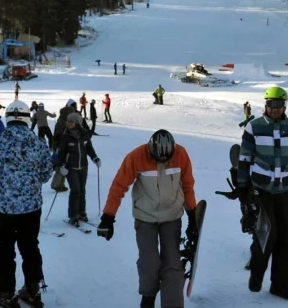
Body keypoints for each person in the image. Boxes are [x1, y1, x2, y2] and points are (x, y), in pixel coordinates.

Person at [237, 86, 288, 300]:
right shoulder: (253, 128)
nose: (274, 109)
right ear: (265, 105)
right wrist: (242, 188)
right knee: (267, 233)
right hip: (260, 190)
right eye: (271, 105)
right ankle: (257, 272)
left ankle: (280, 284)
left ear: (285, 105)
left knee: (284, 238)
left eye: (278, 105)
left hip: (284, 191)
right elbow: (244, 158)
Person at [98, 130, 197, 308]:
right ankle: (149, 295)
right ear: (150, 150)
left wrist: (192, 216)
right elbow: (119, 186)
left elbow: (188, 185)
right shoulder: (136, 157)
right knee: (149, 260)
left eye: (166, 160)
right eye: (158, 159)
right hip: (145, 216)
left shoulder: (180, 154)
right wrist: (108, 217)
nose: (163, 163)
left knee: (172, 262)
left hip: (172, 215)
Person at [0, 100, 53, 306]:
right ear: (26, 118)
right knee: (30, 246)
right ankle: (32, 288)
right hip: (31, 207)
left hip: (5, 208)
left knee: (5, 250)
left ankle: (5, 291)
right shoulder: (39, 143)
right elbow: (47, 173)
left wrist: (1, 182)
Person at [56, 113, 101, 225]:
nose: (68, 123)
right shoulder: (65, 136)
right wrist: (61, 166)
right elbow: (61, 153)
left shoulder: (85, 134)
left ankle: (82, 212)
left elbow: (89, 148)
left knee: (82, 190)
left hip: (83, 166)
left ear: (77, 123)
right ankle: (73, 215)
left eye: (71, 122)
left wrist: (95, 158)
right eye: (68, 121)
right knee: (75, 191)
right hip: (70, 167)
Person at [50, 99, 79, 192]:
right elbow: (57, 136)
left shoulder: (67, 121)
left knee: (65, 165)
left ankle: (60, 184)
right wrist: (57, 147)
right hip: (61, 147)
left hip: (66, 146)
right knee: (61, 166)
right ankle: (56, 184)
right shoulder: (61, 122)